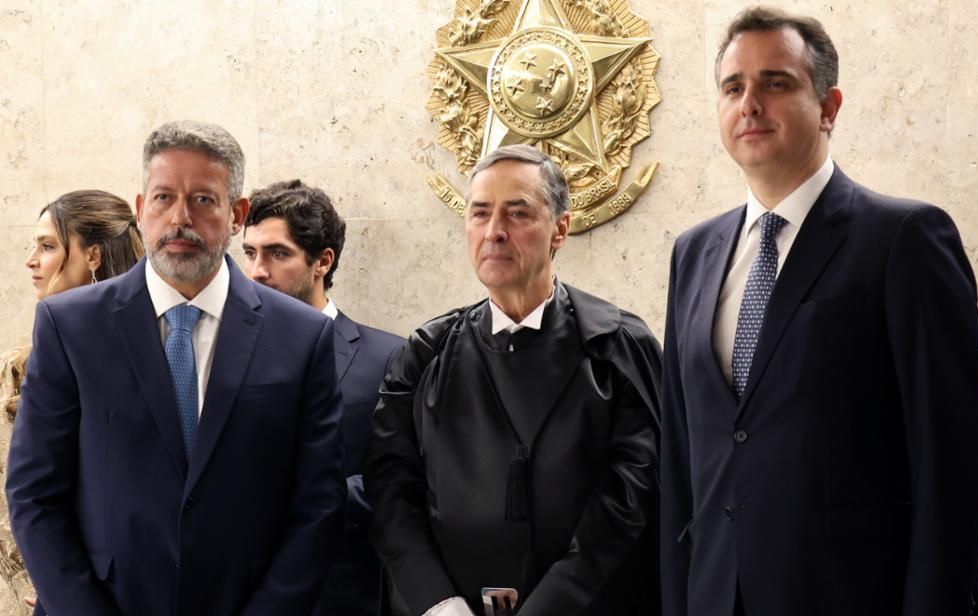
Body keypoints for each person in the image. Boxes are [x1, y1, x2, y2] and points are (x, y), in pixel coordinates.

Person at [660, 8, 978, 616]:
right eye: (733, 88)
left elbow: (954, 463)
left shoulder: (904, 239)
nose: (749, 104)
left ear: (828, 107)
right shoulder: (693, 253)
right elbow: (681, 461)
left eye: (775, 83)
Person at [6, 120, 346, 616]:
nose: (180, 218)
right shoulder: (70, 325)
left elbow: (319, 504)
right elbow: (35, 494)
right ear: (141, 209)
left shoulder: (302, 335)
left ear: (237, 214)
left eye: (204, 200)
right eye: (164, 198)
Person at [365, 144, 662, 616]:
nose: (494, 232)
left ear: (560, 229)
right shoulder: (425, 353)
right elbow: (389, 489)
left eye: (517, 213)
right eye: (479, 213)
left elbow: (631, 498)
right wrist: (438, 603)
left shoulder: (616, 347)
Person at [242, 179, 403, 616]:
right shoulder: (221, 357)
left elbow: (403, 479)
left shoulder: (388, 357)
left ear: (323, 261)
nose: (257, 271)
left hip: (343, 596)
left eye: (277, 254)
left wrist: (300, 497)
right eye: (250, 253)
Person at [1, 189, 144, 614]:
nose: (31, 261)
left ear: (93, 256)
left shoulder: (147, 355)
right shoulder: (26, 359)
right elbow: (32, 493)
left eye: (47, 247)